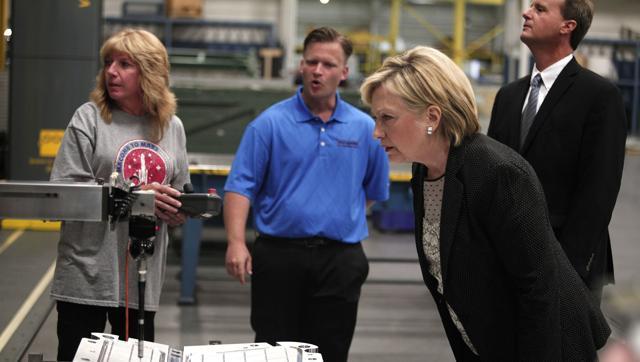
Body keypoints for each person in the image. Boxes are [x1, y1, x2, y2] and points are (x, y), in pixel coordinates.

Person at [360, 45, 610, 361]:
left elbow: (539, 293)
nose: (376, 132)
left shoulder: (497, 172)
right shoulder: (425, 170)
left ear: (432, 117)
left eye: (387, 118)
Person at [223, 27, 389, 362]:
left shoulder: (364, 129)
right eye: (312, 62)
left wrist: (335, 214)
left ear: (344, 73)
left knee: (332, 350)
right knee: (272, 350)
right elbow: (241, 186)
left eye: (328, 64)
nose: (317, 71)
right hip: (279, 257)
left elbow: (371, 191)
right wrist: (236, 242)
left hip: (340, 261)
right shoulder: (268, 124)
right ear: (301, 65)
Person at [50, 28, 190, 360]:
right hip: (86, 275)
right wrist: (137, 196)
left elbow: (180, 192)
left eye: (125, 63)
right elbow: (65, 192)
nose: (111, 71)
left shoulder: (172, 127)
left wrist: (177, 210)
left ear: (150, 72)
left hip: (142, 277)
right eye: (109, 62)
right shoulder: (90, 119)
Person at [487, 0, 627, 304]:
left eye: (539, 9)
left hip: (568, 267)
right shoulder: (508, 97)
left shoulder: (600, 97)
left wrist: (566, 270)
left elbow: (598, 192)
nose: (526, 13)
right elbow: (491, 178)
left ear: (568, 26)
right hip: (507, 262)